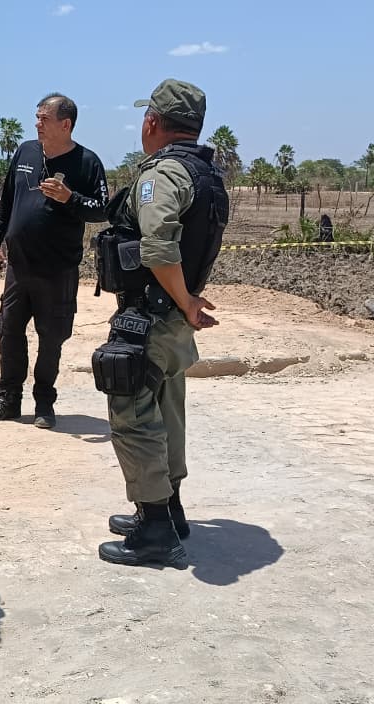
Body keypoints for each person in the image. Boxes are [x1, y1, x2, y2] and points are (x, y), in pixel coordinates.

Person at [98, 80, 228, 567]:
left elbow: (156, 245)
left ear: (152, 122)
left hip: (153, 315)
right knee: (168, 409)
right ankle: (169, 509)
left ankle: (154, 529)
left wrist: (186, 300)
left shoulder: (164, 174)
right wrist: (186, 303)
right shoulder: (206, 174)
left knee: (134, 414)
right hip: (172, 319)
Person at [0, 93, 109, 429]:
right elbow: (8, 197)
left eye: (44, 119)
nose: (37, 124)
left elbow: (102, 209)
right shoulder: (25, 152)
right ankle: (8, 399)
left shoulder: (87, 163)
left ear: (65, 125)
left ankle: (43, 403)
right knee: (9, 331)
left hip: (58, 269)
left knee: (51, 337)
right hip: (19, 266)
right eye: (36, 118)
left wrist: (70, 198)